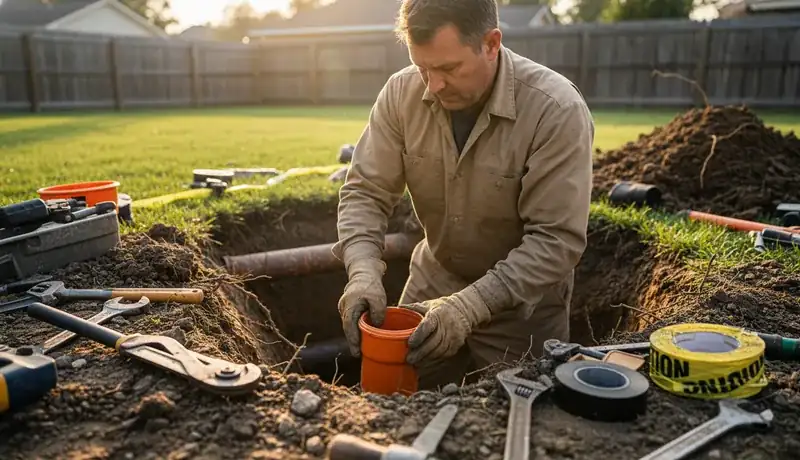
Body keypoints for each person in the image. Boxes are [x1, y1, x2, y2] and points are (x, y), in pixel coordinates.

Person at [331, 0, 594, 389]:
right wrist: (363, 273)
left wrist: (471, 305)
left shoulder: (555, 110)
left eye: (449, 69)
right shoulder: (401, 94)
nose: (433, 86)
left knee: (511, 422)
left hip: (522, 308)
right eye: (423, 68)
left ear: (491, 43)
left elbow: (556, 239)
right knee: (392, 403)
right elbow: (365, 192)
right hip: (433, 279)